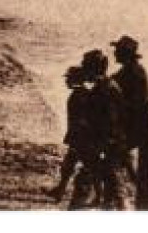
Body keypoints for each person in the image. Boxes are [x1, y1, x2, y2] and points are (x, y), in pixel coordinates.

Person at [110, 35, 148, 204]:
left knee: (112, 154)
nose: (115, 53)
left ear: (125, 54)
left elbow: (135, 104)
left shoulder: (134, 73)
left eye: (117, 50)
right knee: (122, 159)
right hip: (133, 123)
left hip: (134, 125)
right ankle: (141, 190)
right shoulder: (131, 70)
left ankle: (131, 195)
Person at [78, 48, 125, 209]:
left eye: (86, 67)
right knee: (106, 174)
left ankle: (116, 206)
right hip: (105, 138)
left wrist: (106, 141)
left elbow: (111, 118)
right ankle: (105, 201)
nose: (84, 71)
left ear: (94, 69)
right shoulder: (105, 85)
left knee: (110, 175)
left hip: (108, 139)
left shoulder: (105, 88)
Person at [49, 66, 94, 206]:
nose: (66, 81)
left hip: (81, 139)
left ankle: (97, 196)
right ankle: (60, 190)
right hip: (79, 137)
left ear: (75, 79)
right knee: (68, 166)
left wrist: (77, 139)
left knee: (89, 167)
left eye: (69, 78)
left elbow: (81, 120)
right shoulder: (82, 93)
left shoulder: (79, 95)